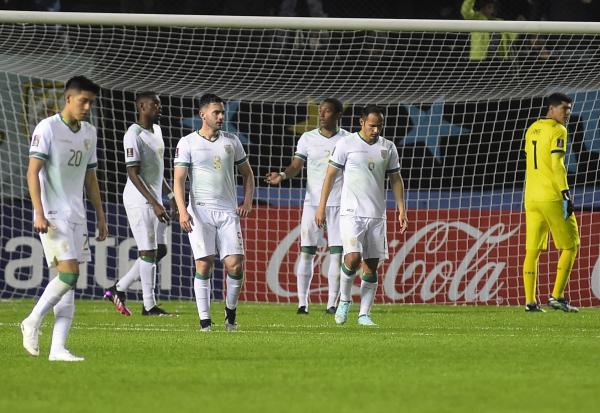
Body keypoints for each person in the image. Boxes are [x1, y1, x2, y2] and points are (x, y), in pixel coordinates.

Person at [21, 76, 107, 361]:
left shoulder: (89, 132)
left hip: (77, 214)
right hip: (53, 213)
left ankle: (58, 349)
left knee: (68, 283)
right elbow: (33, 171)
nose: (87, 107)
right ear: (68, 98)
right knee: (70, 274)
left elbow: (90, 178)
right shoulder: (47, 128)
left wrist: (100, 215)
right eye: (83, 101)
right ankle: (32, 320)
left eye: (91, 103)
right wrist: (38, 212)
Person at [316, 105, 407, 326]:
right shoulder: (346, 144)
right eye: (372, 125)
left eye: (379, 126)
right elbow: (329, 176)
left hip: (376, 215)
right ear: (362, 122)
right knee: (353, 258)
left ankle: (364, 314)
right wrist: (321, 207)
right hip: (351, 213)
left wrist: (401, 208)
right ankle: (344, 300)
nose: (376, 130)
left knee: (372, 265)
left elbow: (395, 178)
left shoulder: (388, 147)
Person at [173, 94, 255, 331]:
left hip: (228, 212)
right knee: (204, 265)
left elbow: (247, 174)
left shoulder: (232, 141)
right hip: (200, 212)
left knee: (235, 265)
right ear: (203, 115)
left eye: (222, 112)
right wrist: (182, 211)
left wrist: (247, 202)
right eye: (216, 112)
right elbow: (179, 179)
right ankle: (205, 322)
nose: (221, 116)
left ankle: (230, 315)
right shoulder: (187, 142)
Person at [265, 98, 349, 315]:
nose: (321, 115)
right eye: (320, 111)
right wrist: (282, 175)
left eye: (327, 111)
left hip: (340, 203)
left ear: (338, 114)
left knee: (337, 253)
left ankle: (332, 304)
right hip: (312, 204)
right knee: (307, 252)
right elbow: (296, 166)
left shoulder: (348, 140)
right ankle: (303, 304)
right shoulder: (307, 138)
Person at [104, 91, 175, 316]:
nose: (159, 107)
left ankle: (118, 288)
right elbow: (133, 174)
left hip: (156, 199)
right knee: (148, 251)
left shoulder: (158, 131)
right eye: (155, 104)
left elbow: (157, 170)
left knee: (159, 249)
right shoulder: (132, 134)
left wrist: (171, 195)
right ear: (142, 107)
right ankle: (149, 305)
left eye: (159, 104)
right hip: (139, 200)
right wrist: (154, 202)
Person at [522, 93, 580, 313]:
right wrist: (565, 194)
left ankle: (530, 301)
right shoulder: (558, 130)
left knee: (533, 250)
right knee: (571, 246)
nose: (568, 113)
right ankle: (557, 296)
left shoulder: (532, 128)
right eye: (564, 108)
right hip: (552, 197)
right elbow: (557, 165)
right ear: (552, 108)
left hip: (531, 197)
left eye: (569, 109)